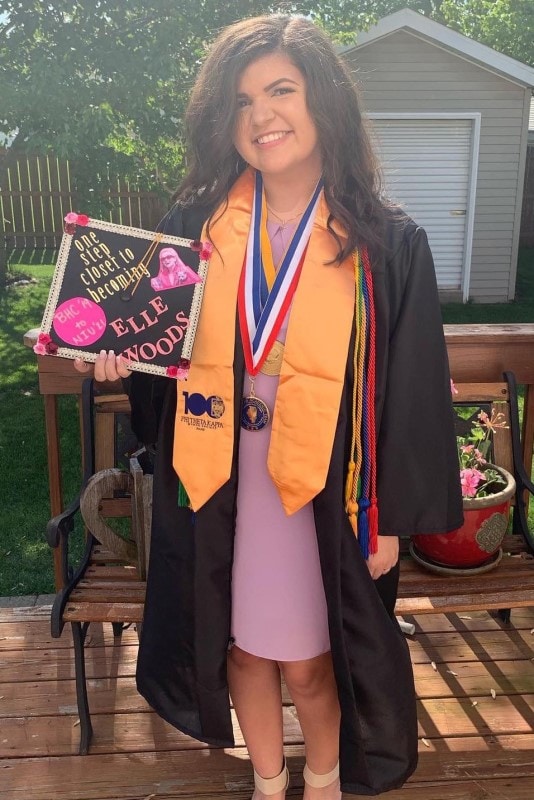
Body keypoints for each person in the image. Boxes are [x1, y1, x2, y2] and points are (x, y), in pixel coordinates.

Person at [75, 14, 463, 799]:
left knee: (316, 658)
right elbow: (164, 364)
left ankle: (321, 783)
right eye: (243, 99)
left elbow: (411, 389)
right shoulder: (196, 230)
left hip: (329, 485)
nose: (262, 116)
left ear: (325, 101)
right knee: (240, 649)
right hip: (224, 478)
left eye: (281, 90)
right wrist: (125, 364)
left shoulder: (385, 241)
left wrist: (386, 516)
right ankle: (266, 780)